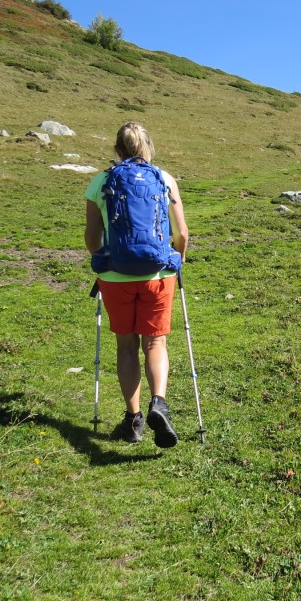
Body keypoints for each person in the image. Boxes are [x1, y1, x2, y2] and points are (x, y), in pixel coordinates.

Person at [84, 121, 189, 447]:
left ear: (117, 149)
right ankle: (159, 403)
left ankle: (134, 421)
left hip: (115, 277)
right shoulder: (164, 179)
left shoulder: (101, 181)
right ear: (149, 147)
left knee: (126, 346)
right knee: (155, 343)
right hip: (158, 275)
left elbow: (92, 237)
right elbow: (182, 234)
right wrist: (179, 260)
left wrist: (102, 261)